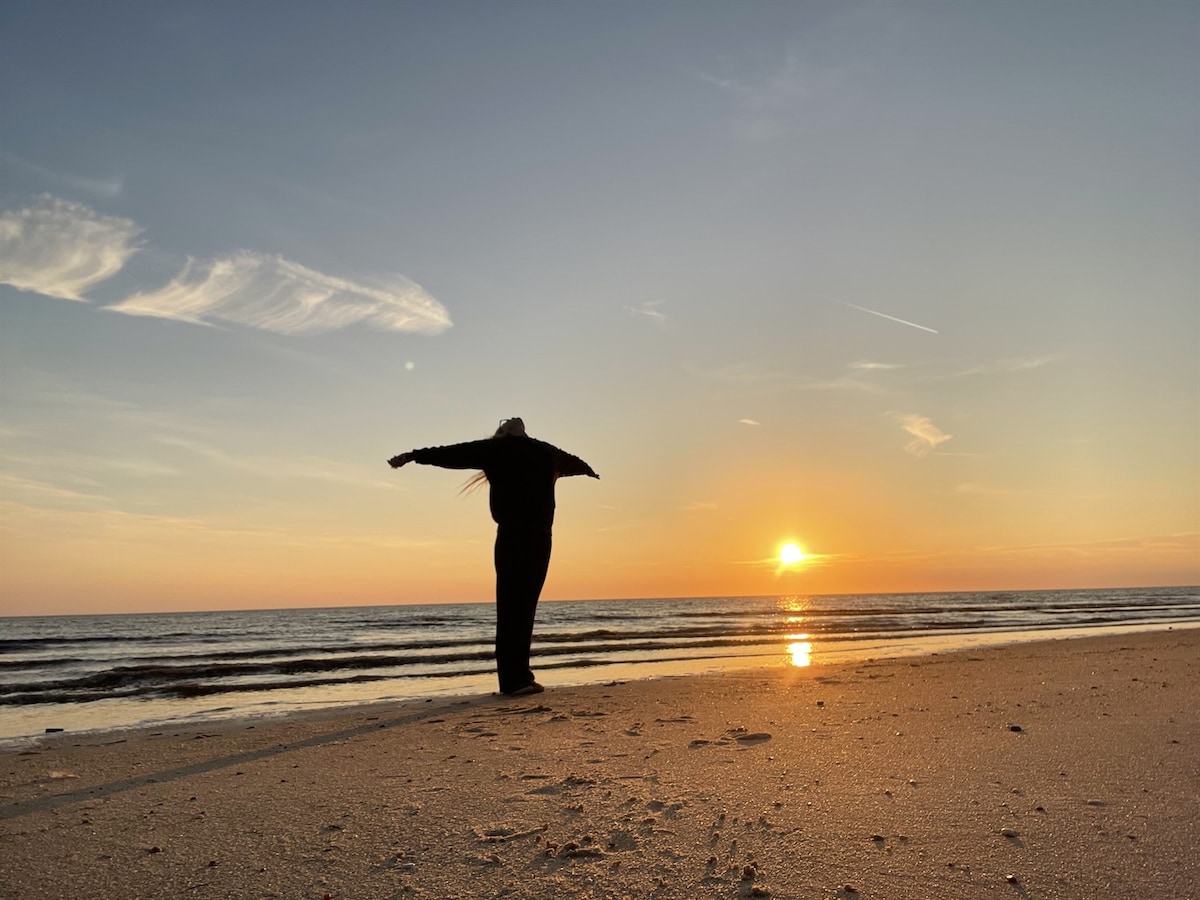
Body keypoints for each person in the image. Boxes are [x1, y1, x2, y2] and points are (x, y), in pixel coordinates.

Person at [388, 418, 599, 696]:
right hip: (512, 536)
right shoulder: (495, 449)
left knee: (525, 608)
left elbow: (574, 463)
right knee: (511, 607)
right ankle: (512, 682)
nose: (510, 419)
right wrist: (414, 456)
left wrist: (588, 471)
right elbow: (452, 453)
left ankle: (521, 677)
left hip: (541, 538)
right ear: (502, 432)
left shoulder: (547, 452)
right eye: (504, 423)